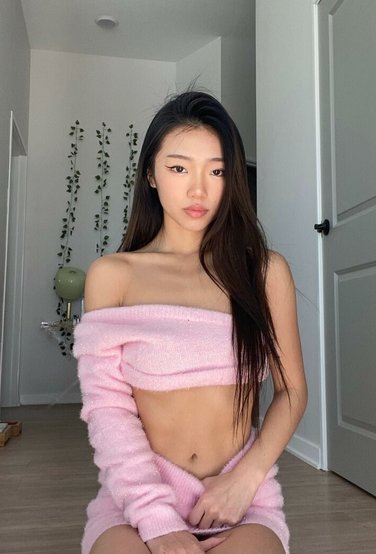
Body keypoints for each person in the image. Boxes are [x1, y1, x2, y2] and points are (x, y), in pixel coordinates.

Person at [73, 91, 307, 554]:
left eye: (216, 171)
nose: (199, 190)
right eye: (179, 168)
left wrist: (246, 479)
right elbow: (108, 410)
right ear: (151, 174)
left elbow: (292, 391)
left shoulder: (264, 272)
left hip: (239, 500)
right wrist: (156, 519)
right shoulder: (112, 276)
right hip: (135, 501)